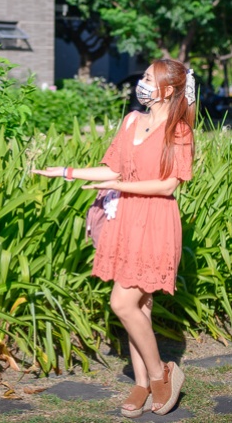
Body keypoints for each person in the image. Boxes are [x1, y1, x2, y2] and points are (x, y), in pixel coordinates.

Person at [33, 60, 196, 417]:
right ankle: (142, 384)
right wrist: (65, 171)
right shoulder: (132, 121)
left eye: (148, 79)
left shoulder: (179, 131)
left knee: (122, 303)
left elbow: (169, 184)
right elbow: (113, 169)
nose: (141, 83)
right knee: (140, 307)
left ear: (168, 90)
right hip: (126, 219)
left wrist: (118, 186)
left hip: (154, 219)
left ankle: (161, 374)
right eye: (144, 77)